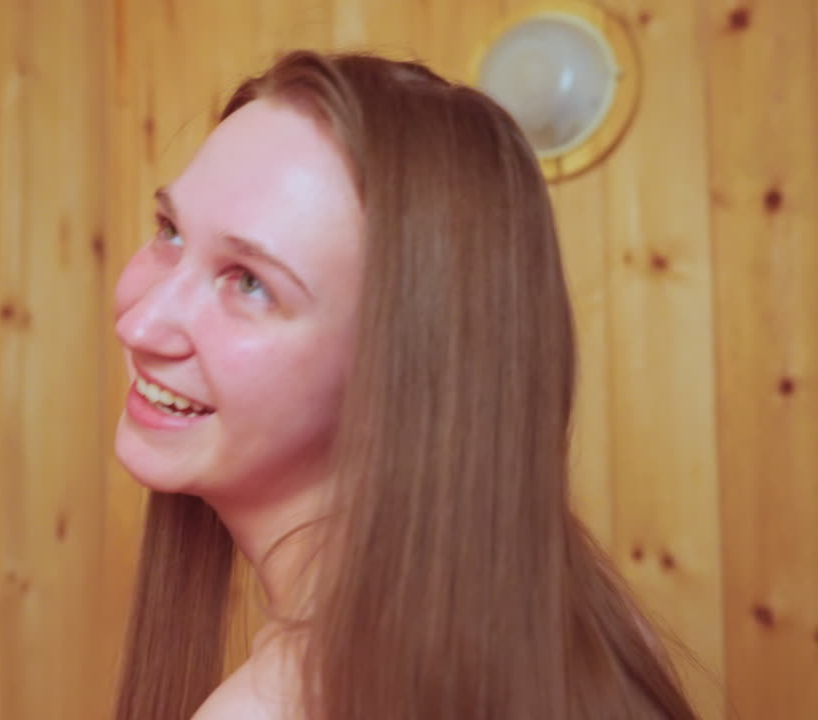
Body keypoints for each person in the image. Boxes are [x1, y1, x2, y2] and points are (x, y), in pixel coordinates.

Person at [110, 50, 698, 719]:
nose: (141, 322)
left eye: (250, 283)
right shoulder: (582, 625)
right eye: (170, 233)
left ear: (404, 364)